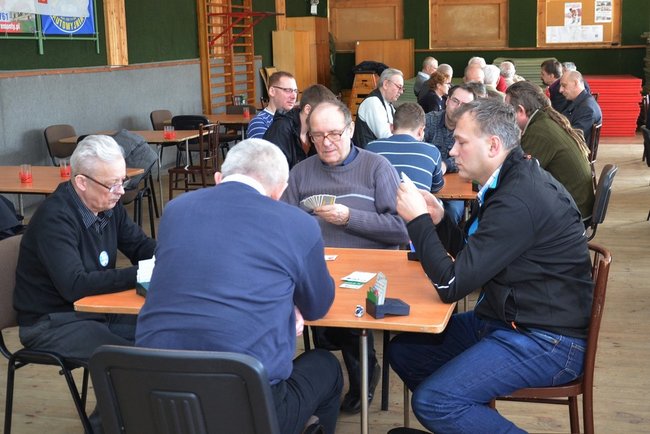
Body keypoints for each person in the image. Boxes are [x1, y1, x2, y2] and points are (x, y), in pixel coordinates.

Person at [389, 98, 593, 434]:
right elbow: (474, 257)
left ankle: (458, 409)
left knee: (435, 402)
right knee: (406, 352)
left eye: (461, 142)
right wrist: (439, 220)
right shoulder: (511, 180)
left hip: (550, 341)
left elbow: (451, 286)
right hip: (510, 319)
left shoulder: (518, 198)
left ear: (493, 145)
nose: (452, 151)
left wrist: (419, 221)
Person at [136, 138, 343, 434]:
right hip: (248, 407)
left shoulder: (176, 210)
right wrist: (287, 303)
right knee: (327, 367)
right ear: (279, 190)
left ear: (219, 178)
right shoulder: (298, 223)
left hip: (156, 398)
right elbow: (317, 307)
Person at [13, 135, 156, 431]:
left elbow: (141, 247)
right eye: (112, 184)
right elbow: (74, 285)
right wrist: (141, 273)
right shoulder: (55, 218)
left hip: (94, 310)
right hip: (51, 321)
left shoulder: (108, 205)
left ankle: (138, 420)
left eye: (123, 181)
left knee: (161, 331)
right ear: (81, 182)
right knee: (124, 362)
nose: (121, 192)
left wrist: (175, 255)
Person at [283, 99, 409, 414]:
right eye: (317, 135)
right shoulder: (300, 173)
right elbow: (281, 226)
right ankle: (303, 384)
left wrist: (350, 218)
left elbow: (401, 230)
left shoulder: (377, 167)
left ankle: (363, 372)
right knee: (296, 307)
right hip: (317, 268)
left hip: (370, 270)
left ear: (351, 129)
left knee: (346, 316)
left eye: (334, 134)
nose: (326, 142)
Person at [505, 80, 595, 220]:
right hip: (576, 204)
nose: (505, 117)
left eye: (507, 111)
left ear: (521, 111)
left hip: (572, 214)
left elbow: (518, 174)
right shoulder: (545, 119)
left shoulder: (539, 131)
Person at [424, 83, 478, 223]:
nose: (458, 107)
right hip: (427, 184)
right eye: (455, 101)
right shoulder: (428, 120)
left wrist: (446, 164)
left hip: (457, 190)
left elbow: (469, 157)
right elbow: (418, 149)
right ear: (447, 101)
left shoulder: (473, 130)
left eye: (465, 105)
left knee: (452, 213)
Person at [367, 102, 444, 193]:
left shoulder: (370, 148)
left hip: (378, 202)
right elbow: (436, 187)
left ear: (391, 127)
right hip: (416, 202)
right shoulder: (432, 152)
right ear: (420, 131)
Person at [263, 83, 336, 168]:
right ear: (308, 109)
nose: (328, 120)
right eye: (324, 114)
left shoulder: (314, 132)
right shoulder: (280, 129)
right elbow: (273, 171)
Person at [353, 68, 404, 148]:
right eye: (399, 87)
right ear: (386, 84)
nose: (401, 92)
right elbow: (385, 137)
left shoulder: (388, 104)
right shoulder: (373, 102)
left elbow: (400, 128)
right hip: (368, 153)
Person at [246, 71, 298, 139]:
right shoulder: (259, 123)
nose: (294, 96)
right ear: (272, 91)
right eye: (288, 90)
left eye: (295, 91)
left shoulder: (295, 120)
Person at [560, 70, 603, 146]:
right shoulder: (581, 101)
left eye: (564, 85)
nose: (560, 90)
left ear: (576, 83)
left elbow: (573, 138)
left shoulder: (587, 109)